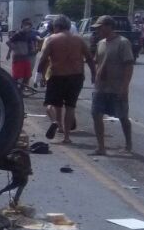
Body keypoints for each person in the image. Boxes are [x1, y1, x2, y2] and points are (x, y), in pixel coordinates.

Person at [35, 15, 95, 145]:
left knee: (52, 104)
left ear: (57, 26)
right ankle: (67, 137)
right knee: (70, 107)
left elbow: (43, 59)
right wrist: (93, 75)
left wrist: (39, 75)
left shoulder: (52, 39)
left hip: (57, 76)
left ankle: (55, 122)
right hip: (76, 76)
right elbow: (89, 58)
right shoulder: (79, 40)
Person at [90, 15, 135, 155]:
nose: (98, 30)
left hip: (116, 87)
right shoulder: (101, 43)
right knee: (96, 114)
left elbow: (129, 66)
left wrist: (124, 87)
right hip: (101, 87)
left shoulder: (123, 43)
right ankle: (101, 147)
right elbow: (97, 61)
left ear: (109, 26)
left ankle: (128, 145)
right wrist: (95, 75)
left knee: (122, 116)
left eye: (100, 27)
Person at [7, 18, 39, 86]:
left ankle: (22, 88)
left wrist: (35, 49)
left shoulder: (30, 34)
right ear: (22, 25)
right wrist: (13, 50)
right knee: (17, 76)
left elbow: (33, 43)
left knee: (27, 75)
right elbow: (9, 42)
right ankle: (15, 88)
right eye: (27, 24)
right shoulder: (18, 34)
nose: (28, 26)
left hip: (28, 57)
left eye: (30, 25)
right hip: (19, 58)